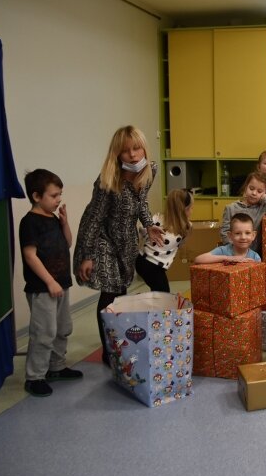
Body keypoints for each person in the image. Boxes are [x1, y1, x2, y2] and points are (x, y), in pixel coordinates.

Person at [74, 126, 163, 365]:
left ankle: (118, 342)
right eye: (125, 151)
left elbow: (140, 202)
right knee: (111, 292)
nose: (133, 155)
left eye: (136, 148)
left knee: (122, 291)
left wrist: (147, 223)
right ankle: (108, 352)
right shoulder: (107, 180)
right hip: (103, 239)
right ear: (116, 154)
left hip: (126, 239)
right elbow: (94, 219)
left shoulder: (150, 170)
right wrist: (88, 255)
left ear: (144, 147)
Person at [20, 169, 82, 397]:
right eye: (54, 196)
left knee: (62, 328)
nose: (58, 200)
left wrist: (65, 223)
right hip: (43, 288)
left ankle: (56, 367)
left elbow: (67, 243)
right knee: (44, 332)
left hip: (61, 284)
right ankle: (34, 377)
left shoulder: (53, 218)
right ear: (37, 196)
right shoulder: (29, 222)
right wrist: (49, 281)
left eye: (60, 195)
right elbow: (30, 256)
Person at [134, 188, 194, 292]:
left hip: (142, 261)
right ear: (184, 209)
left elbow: (142, 230)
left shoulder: (156, 218)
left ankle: (151, 304)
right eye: (191, 208)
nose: (192, 211)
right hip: (152, 265)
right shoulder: (186, 226)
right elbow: (180, 244)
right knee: (163, 294)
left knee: (159, 292)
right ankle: (147, 305)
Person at [220, 171, 266, 254]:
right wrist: (235, 250)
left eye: (259, 191)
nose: (254, 193)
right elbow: (224, 233)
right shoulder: (231, 208)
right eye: (251, 188)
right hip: (233, 253)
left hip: (254, 254)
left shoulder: (263, 208)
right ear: (246, 187)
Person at [195, 212, 261, 263]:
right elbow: (198, 259)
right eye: (237, 233)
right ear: (230, 236)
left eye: (247, 233)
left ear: (253, 235)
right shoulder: (222, 251)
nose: (243, 237)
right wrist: (228, 258)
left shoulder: (255, 257)